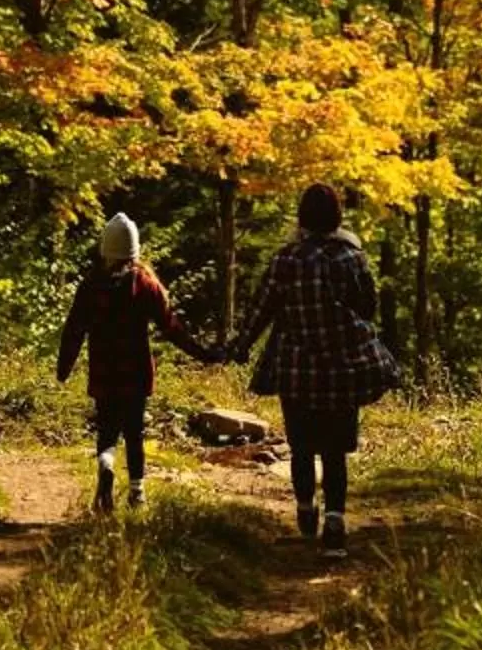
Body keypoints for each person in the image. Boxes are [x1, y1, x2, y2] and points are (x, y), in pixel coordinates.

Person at [233, 184, 399, 557]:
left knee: (302, 447)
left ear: (302, 217)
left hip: (297, 371)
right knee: (336, 451)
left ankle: (306, 509)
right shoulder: (352, 259)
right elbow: (369, 307)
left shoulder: (285, 260)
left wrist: (238, 347)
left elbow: (261, 310)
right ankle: (336, 524)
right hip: (343, 370)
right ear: (337, 217)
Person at [56, 213, 213, 515]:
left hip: (104, 371)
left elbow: (74, 329)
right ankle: (138, 493)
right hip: (136, 372)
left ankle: (106, 464)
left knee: (106, 429)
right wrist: (204, 354)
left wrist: (64, 368)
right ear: (134, 249)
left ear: (105, 249)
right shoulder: (146, 284)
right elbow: (172, 328)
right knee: (134, 431)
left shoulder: (91, 285)